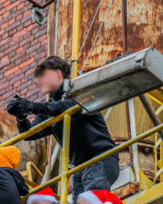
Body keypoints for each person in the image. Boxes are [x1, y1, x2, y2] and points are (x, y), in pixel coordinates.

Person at [6, 56, 119, 194]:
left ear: (58, 74)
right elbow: (30, 133)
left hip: (101, 159)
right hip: (79, 168)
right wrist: (21, 116)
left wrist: (30, 106)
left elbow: (62, 107)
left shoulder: (79, 91)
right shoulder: (48, 110)